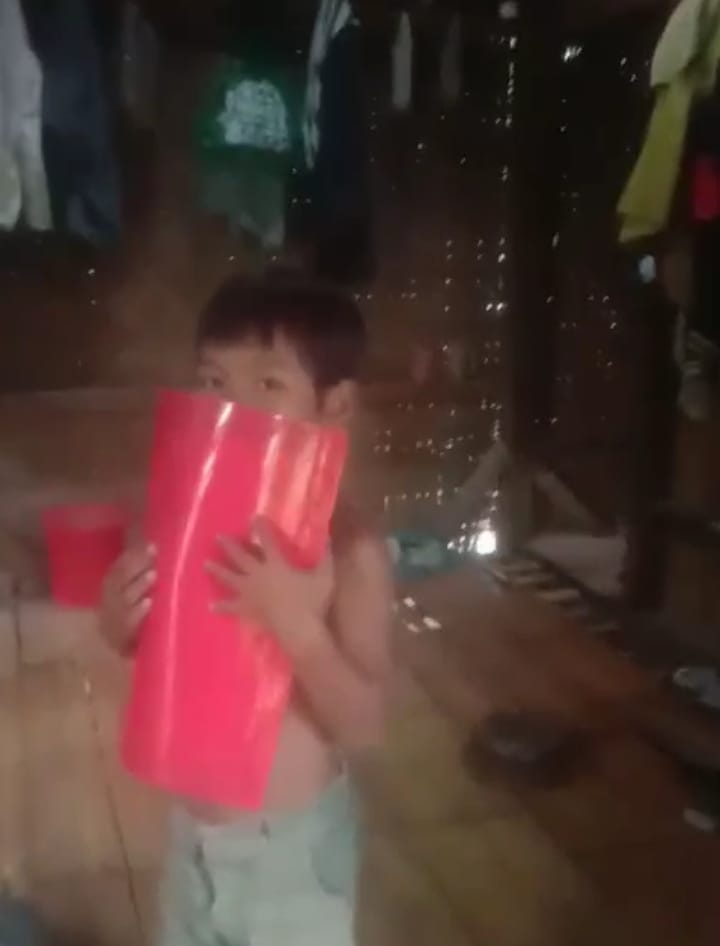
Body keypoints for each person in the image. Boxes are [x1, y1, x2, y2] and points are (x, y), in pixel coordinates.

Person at [98, 274, 393, 946]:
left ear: (335, 406)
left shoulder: (351, 552)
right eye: (213, 381)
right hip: (192, 840)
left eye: (267, 384)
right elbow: (164, 651)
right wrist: (119, 622)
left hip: (288, 857)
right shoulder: (185, 525)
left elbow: (364, 724)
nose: (231, 408)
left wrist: (295, 623)